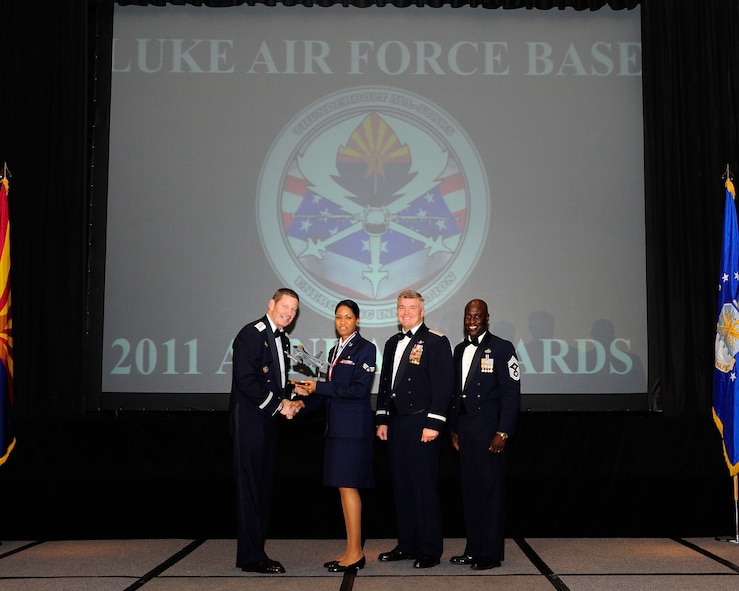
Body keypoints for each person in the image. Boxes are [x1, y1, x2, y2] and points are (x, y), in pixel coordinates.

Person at [294, 299, 376, 573]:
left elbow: (357, 391)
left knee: (348, 486)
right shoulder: (334, 350)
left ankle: (356, 553)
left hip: (353, 431)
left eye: (348, 317)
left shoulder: (366, 349)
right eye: (339, 317)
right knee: (343, 487)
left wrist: (320, 387)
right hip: (337, 428)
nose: (343, 322)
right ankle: (351, 550)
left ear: (357, 321)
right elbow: (329, 394)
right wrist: (306, 398)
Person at [375, 289, 453, 569]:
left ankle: (430, 548)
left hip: (421, 423)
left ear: (422, 311)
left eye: (411, 308)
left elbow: (444, 387)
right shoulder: (392, 342)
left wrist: (434, 423)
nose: (406, 313)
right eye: (401, 308)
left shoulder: (436, 341)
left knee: (424, 488)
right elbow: (386, 383)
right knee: (402, 487)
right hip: (396, 423)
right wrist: (382, 418)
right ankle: (407, 544)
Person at [228, 288, 305, 574]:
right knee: (250, 489)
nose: (289, 313)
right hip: (250, 422)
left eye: (294, 310)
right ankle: (251, 557)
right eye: (285, 306)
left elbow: (276, 383)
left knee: (263, 489)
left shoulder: (283, 339)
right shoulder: (251, 334)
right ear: (271, 304)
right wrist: (280, 406)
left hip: (268, 423)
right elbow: (246, 381)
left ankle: (254, 551)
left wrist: (293, 400)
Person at [448, 299, 521, 571]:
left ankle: (490, 553)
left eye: (477, 316)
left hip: (491, 432)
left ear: (487, 318)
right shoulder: (458, 350)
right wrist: (454, 428)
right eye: (468, 316)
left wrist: (504, 431)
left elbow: (511, 394)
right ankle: (473, 548)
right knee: (470, 492)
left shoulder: (502, 348)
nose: (472, 320)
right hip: (466, 432)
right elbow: (456, 393)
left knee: (491, 492)